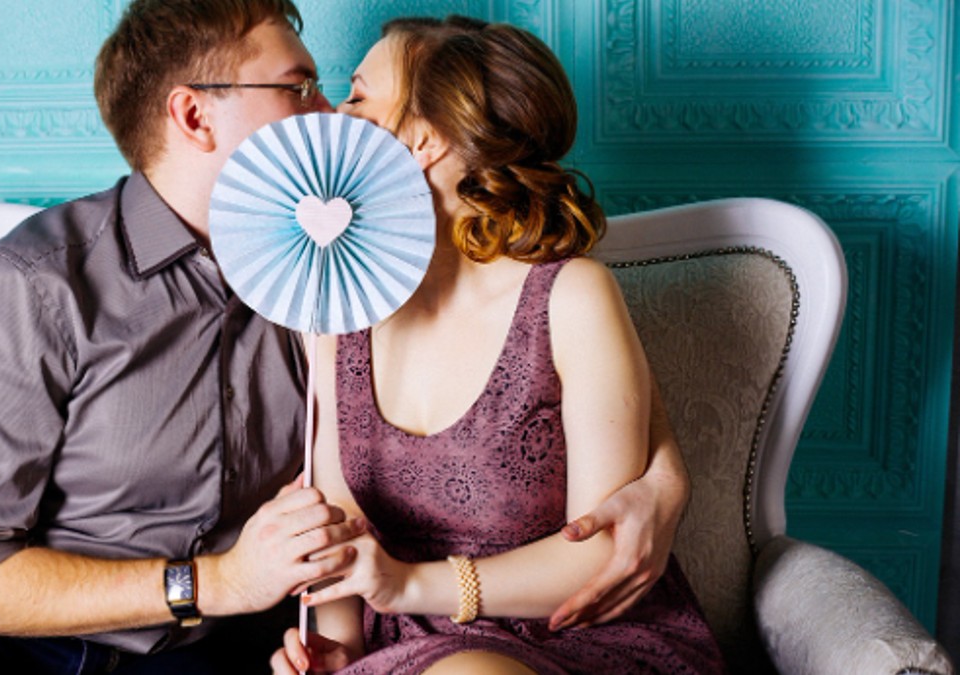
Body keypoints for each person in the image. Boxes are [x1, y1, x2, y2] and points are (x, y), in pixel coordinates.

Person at [0, 3, 691, 673]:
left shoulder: (336, 276)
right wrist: (225, 582)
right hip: (3, 641)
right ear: (194, 115)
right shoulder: (35, 284)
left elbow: (541, 374)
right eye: (300, 87)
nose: (326, 114)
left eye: (339, 91)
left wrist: (665, 475)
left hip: (208, 648)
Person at [273, 16, 725, 675]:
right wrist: (338, 649)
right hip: (405, 647)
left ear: (424, 139)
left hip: (574, 635)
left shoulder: (570, 297)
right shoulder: (336, 308)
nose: (336, 114)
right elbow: (338, 519)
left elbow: (603, 551)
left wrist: (410, 584)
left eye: (359, 96)